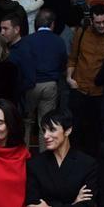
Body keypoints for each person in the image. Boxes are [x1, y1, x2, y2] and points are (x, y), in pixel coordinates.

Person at [67, 4, 104, 156]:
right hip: (80, 88)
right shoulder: (82, 32)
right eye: (98, 22)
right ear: (91, 21)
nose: (102, 25)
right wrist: (69, 78)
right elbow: (73, 58)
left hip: (100, 93)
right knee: (76, 132)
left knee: (96, 134)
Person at [23, 9, 67, 143]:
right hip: (50, 85)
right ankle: (44, 158)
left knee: (26, 122)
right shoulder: (59, 41)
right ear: (52, 24)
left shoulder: (27, 40)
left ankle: (23, 156)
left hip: (30, 84)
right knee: (46, 124)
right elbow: (63, 64)